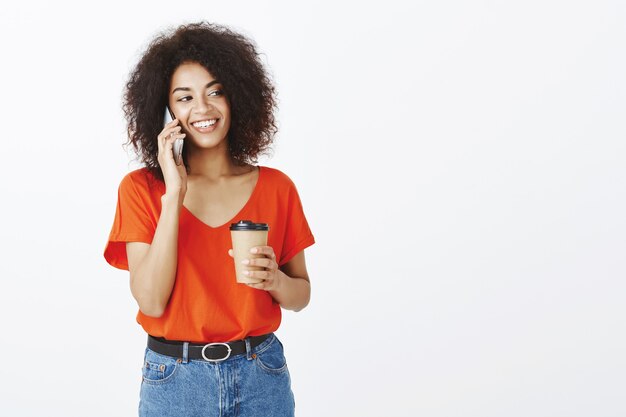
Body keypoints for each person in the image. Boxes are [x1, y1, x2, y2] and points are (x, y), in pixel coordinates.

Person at [103, 21, 315, 417]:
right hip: (175, 382)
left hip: (262, 376)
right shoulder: (140, 189)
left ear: (237, 96)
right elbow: (150, 300)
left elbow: (301, 296)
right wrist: (174, 194)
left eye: (215, 91)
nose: (202, 109)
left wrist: (275, 280)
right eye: (184, 98)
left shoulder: (276, 187)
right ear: (165, 110)